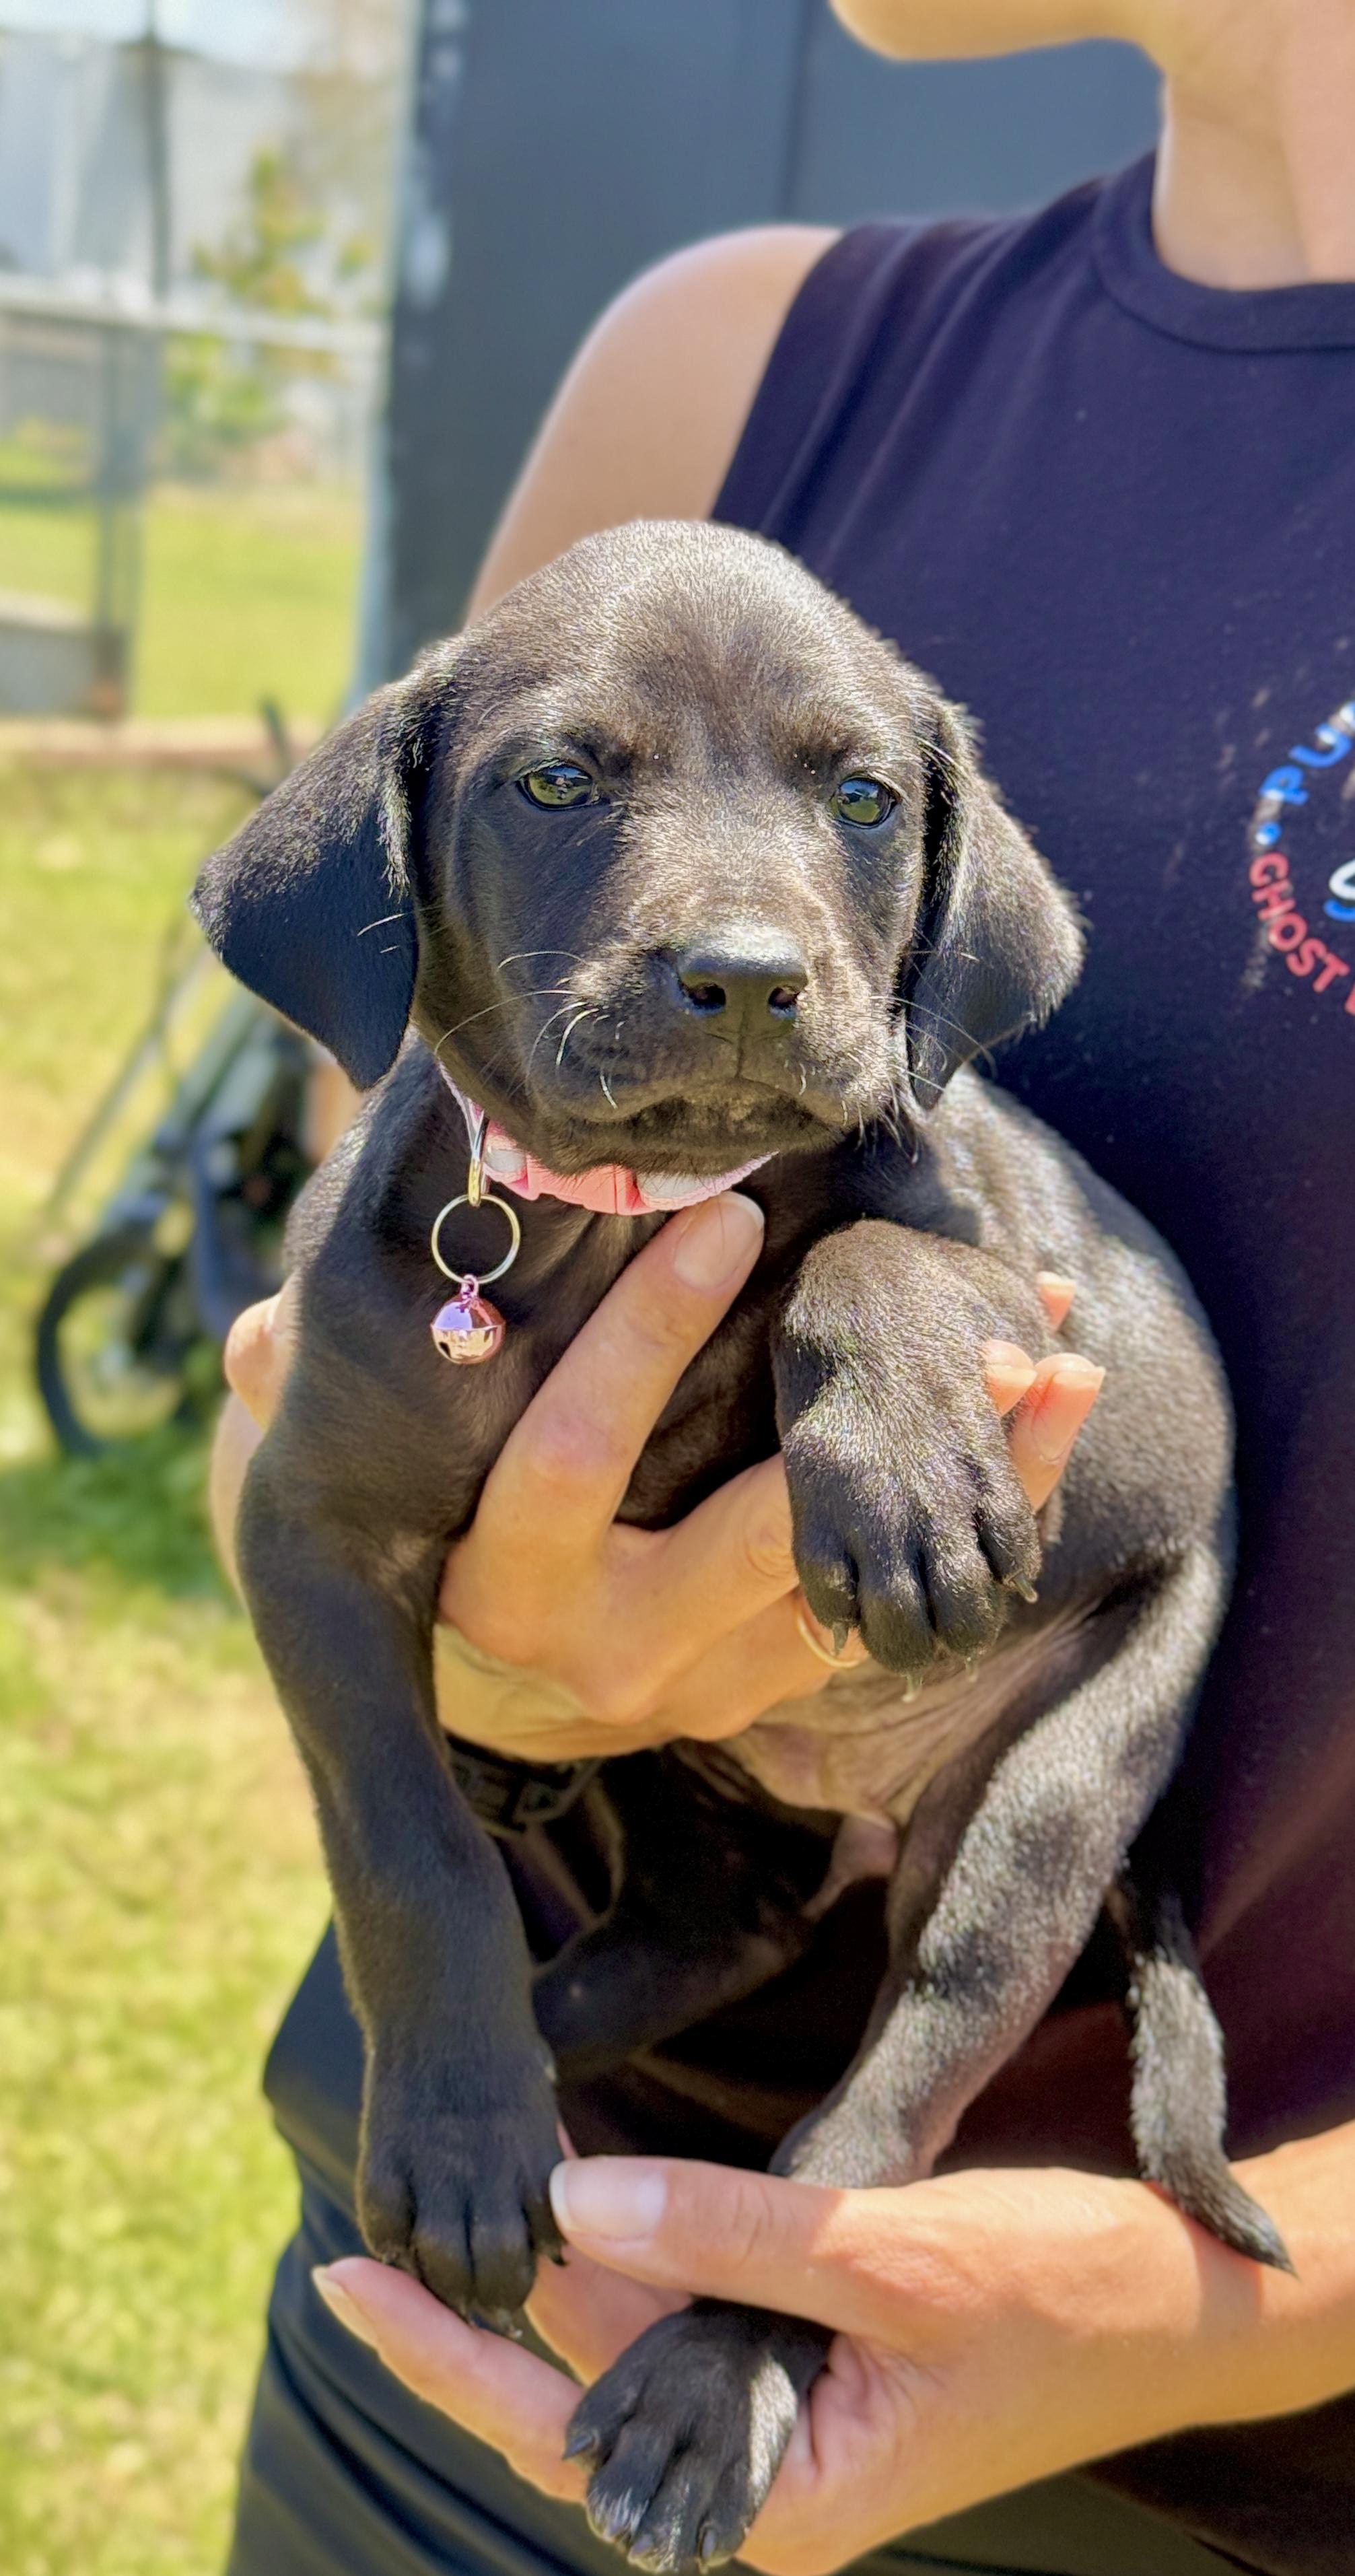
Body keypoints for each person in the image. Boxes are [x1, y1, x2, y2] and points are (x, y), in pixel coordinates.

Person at [210, 3, 1355, 2570]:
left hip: (1191, 2466)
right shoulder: (727, 361)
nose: (730, 915)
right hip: (468, 2254)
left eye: (841, 806)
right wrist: (488, 1658)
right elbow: (316, 1361)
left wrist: (1197, 2302)